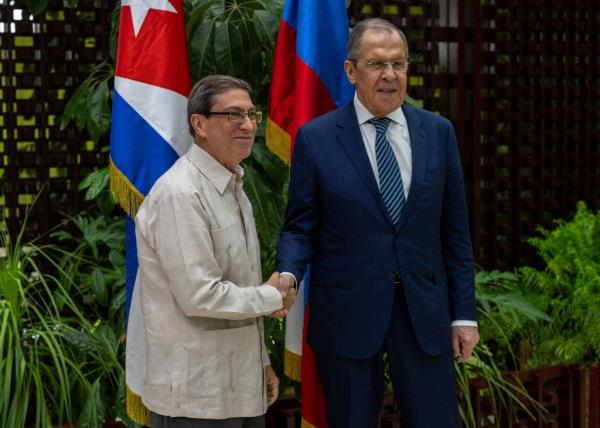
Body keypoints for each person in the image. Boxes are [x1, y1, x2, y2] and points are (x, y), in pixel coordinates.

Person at [276, 18, 479, 427]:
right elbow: (300, 225)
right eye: (376, 64)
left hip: (423, 312)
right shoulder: (316, 138)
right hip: (347, 312)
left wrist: (464, 315)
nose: (389, 75)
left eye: (398, 64)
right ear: (351, 71)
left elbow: (455, 233)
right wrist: (288, 274)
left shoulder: (438, 132)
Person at [134, 75, 296, 427]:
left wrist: (262, 363)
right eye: (233, 115)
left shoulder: (233, 185)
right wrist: (272, 297)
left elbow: (238, 282)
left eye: (253, 114)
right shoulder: (181, 194)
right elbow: (200, 295)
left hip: (240, 386)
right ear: (199, 124)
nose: (248, 125)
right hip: (196, 400)